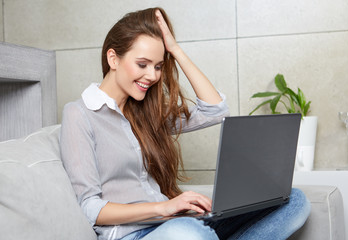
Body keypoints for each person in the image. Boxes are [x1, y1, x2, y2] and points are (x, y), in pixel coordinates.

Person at [60, 7, 310, 240]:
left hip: (175, 223)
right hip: (135, 234)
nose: (153, 76)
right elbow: (91, 207)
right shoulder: (79, 114)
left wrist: (175, 50)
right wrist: (165, 208)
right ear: (113, 59)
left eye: (158, 66)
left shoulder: (145, 113)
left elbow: (215, 110)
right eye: (142, 64)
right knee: (187, 231)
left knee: (294, 201)